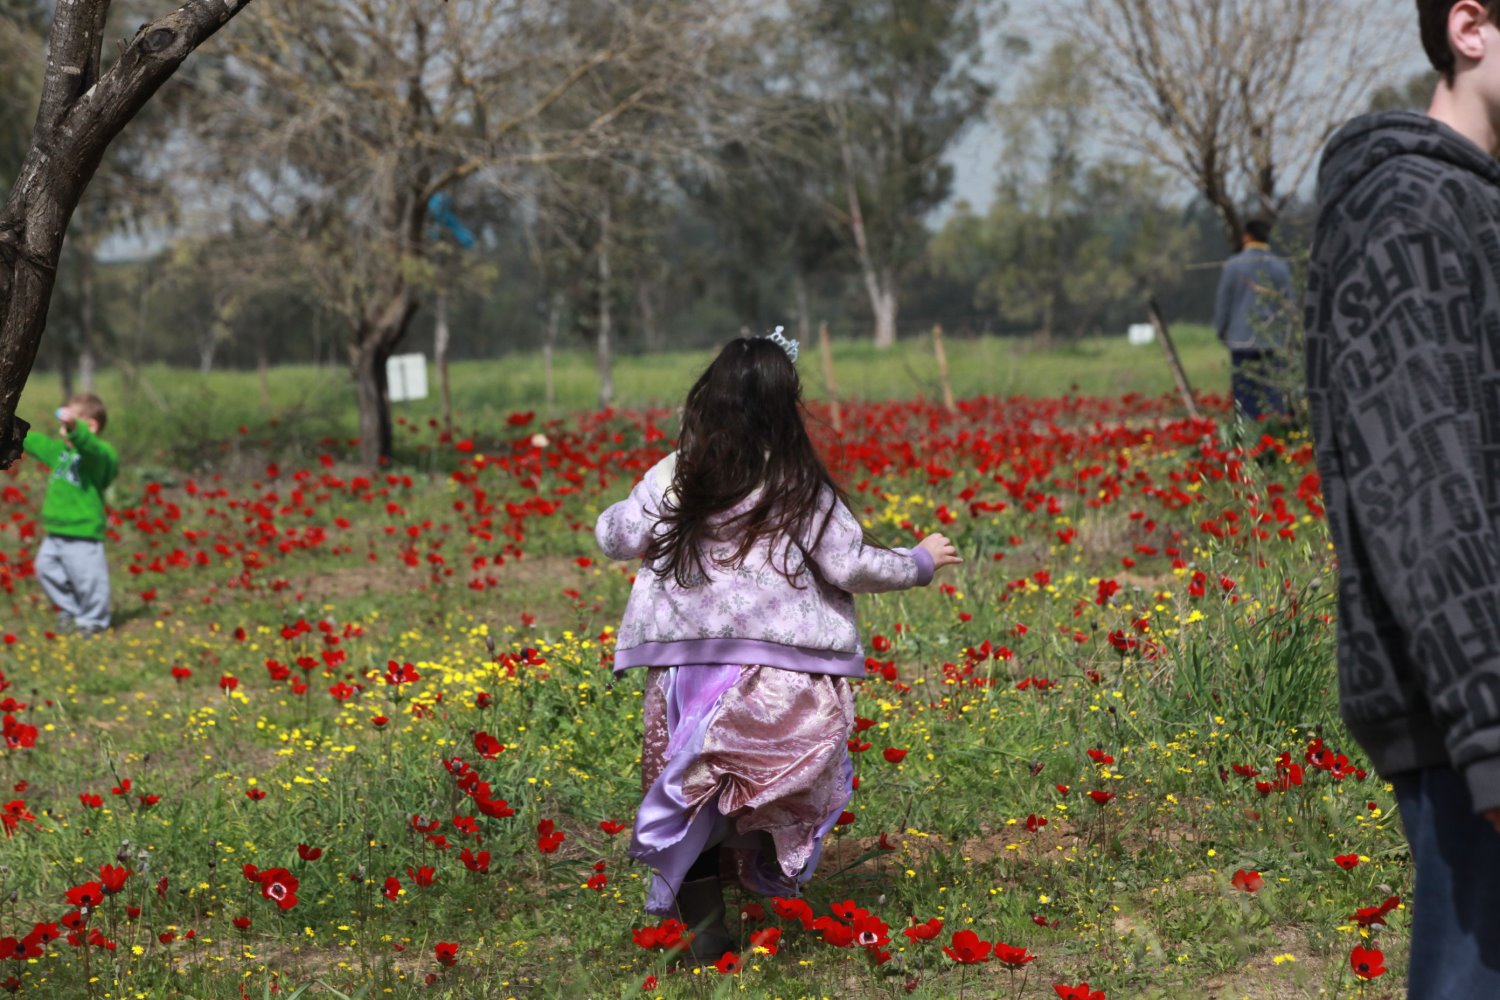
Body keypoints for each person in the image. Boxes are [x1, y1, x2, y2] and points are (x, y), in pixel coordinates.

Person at [595, 333, 961, 960]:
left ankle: (708, 937)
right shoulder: (797, 486)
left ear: (707, 399)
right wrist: (920, 561)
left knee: (694, 802)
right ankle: (757, 878)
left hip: (690, 675)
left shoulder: (675, 476)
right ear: (783, 407)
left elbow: (616, 535)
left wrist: (630, 520)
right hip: (777, 675)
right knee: (765, 787)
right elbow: (850, 564)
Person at [1304, 2, 1500, 995]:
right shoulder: (1411, 212)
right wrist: (1491, 736)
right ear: (1471, 28)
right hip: (1469, 714)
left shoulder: (1472, 205)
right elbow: (1426, 493)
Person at [22, 394, 118, 634]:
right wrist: (12, 428)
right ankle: (72, 610)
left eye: (67, 425)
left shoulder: (99, 456)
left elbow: (92, 448)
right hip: (55, 531)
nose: (62, 431)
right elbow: (37, 443)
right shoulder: (60, 452)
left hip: (83, 532)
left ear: (91, 426)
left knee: (89, 581)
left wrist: (76, 430)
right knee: (45, 569)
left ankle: (93, 621)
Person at [1214, 218, 1295, 421]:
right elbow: (1289, 304)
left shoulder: (1233, 265)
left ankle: (1249, 439)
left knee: (1244, 395)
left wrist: (1221, 331)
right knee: (1273, 393)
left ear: (1247, 236)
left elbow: (1223, 303)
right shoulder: (1280, 266)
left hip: (1241, 340)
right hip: (1272, 340)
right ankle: (1275, 436)